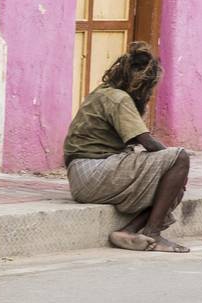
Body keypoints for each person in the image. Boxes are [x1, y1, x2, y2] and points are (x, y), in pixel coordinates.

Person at [63, 42, 190, 253]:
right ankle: (152, 233)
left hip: (83, 175)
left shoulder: (106, 92)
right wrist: (176, 164)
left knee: (172, 178)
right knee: (179, 161)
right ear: (142, 85)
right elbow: (147, 142)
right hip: (92, 173)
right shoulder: (119, 99)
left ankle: (128, 231)